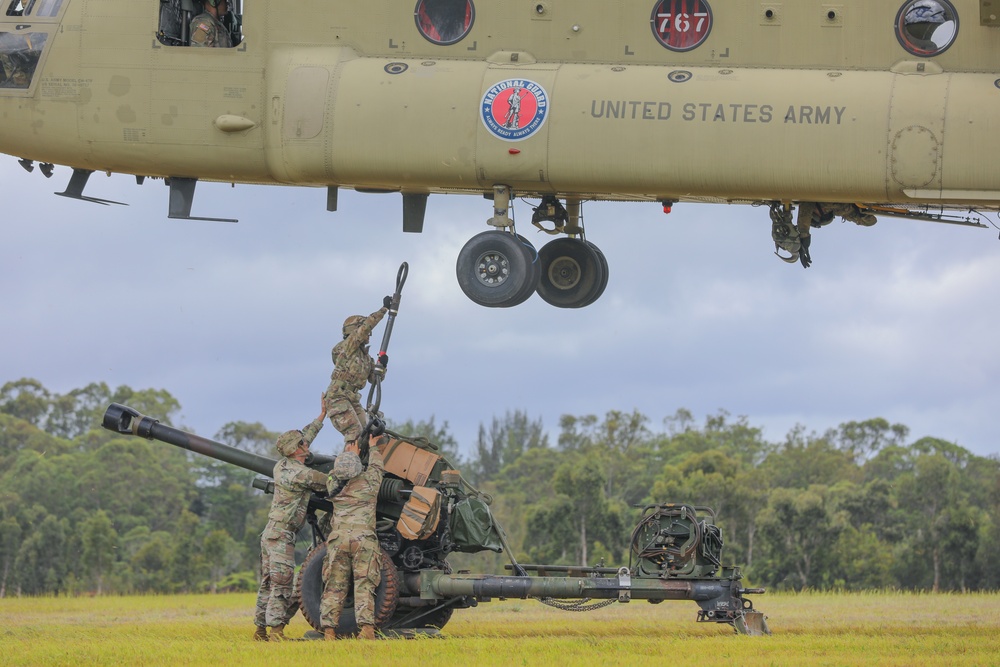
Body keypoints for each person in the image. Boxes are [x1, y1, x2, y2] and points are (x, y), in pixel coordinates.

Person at [253, 399, 328, 642]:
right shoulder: (301, 475)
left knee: (268, 583)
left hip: (271, 534)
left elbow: (304, 436)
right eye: (303, 444)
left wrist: (321, 416)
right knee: (283, 584)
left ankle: (260, 630)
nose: (307, 445)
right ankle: (276, 632)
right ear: (297, 449)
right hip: (281, 535)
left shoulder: (281, 466)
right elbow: (328, 482)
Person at [320, 440, 385, 640]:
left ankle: (329, 631)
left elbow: (336, 471)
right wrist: (372, 446)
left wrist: (347, 452)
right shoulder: (369, 482)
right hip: (363, 538)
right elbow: (377, 466)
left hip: (338, 539)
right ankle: (366, 630)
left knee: (334, 585)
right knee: (364, 583)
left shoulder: (332, 484)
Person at [322, 299, 391, 449]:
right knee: (354, 434)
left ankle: (364, 464)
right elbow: (365, 328)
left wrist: (382, 366)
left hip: (352, 398)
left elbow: (375, 379)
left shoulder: (365, 357)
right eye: (366, 331)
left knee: (367, 435)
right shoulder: (347, 347)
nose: (369, 335)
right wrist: (384, 309)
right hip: (338, 396)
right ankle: (346, 468)